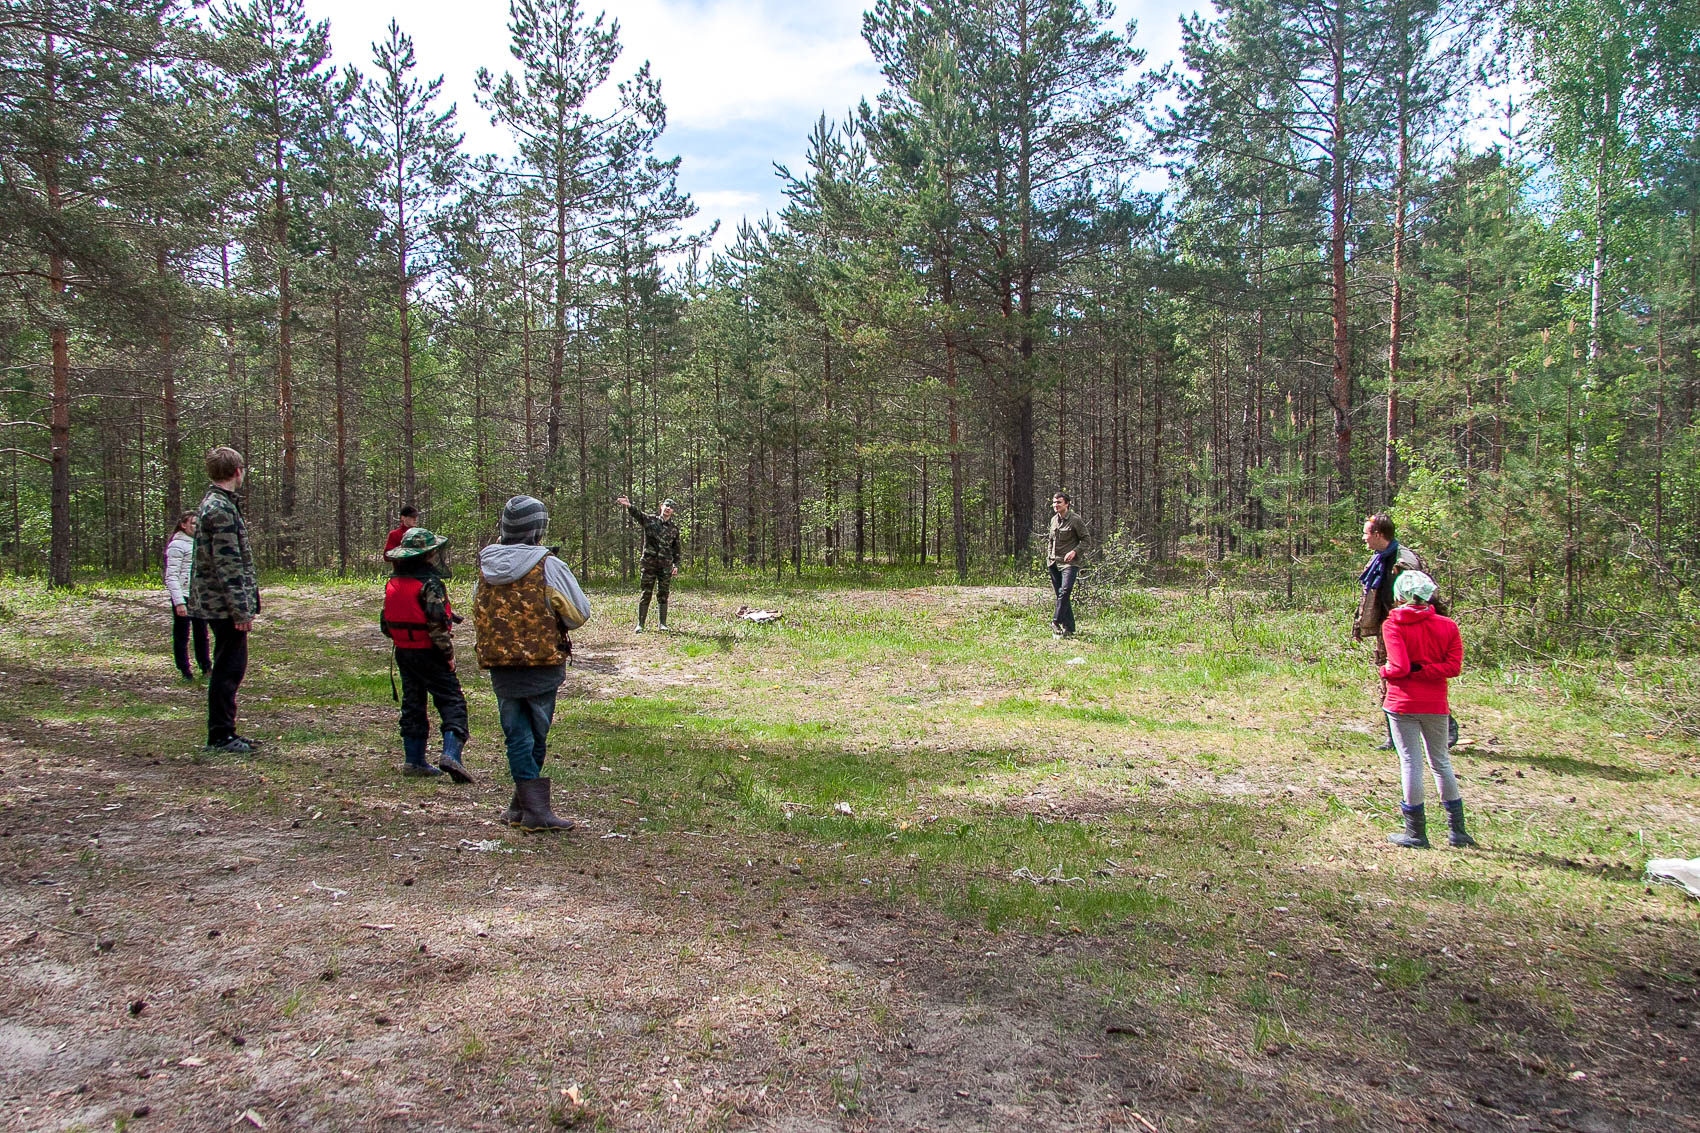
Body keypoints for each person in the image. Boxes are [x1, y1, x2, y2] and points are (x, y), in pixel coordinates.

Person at [474, 495, 590, 832]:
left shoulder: (486, 566)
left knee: (516, 735)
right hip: (542, 662)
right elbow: (578, 613)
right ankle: (535, 812)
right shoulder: (549, 566)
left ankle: (520, 807)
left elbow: (479, 609)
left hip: (500, 663)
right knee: (535, 736)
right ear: (538, 529)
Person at [1380, 570, 1475, 849]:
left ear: (1399, 596)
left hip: (1402, 702)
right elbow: (1452, 667)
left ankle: (1416, 833)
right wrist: (1427, 670)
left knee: (1410, 762)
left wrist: (1385, 671)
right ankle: (1458, 832)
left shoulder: (1393, 624)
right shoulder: (1448, 626)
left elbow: (1399, 668)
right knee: (1441, 762)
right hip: (1435, 704)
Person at [382, 527, 472, 782]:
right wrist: (448, 655)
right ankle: (451, 754)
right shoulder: (430, 584)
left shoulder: (394, 583)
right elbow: (437, 625)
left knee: (412, 703)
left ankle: (414, 760)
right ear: (427, 555)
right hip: (429, 653)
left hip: (404, 652)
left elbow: (386, 624)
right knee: (452, 700)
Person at [187, 447, 260, 753]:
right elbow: (227, 564)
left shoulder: (220, 503)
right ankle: (220, 735)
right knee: (228, 669)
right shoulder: (219, 508)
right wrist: (240, 610)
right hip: (222, 605)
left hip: (219, 602)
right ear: (237, 471)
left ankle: (225, 731)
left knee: (230, 666)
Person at [616, 495, 681, 632]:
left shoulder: (674, 529)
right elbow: (638, 514)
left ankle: (662, 624)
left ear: (673, 511)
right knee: (646, 592)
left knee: (663, 594)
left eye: (671, 507)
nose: (668, 509)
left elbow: (676, 549)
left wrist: (676, 565)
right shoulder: (650, 520)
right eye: (666, 506)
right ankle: (640, 624)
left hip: (665, 566)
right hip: (649, 564)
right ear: (661, 507)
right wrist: (629, 505)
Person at [164, 511, 210, 682]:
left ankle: (206, 667)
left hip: (198, 595)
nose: (196, 527)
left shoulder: (199, 543)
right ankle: (184, 670)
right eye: (193, 524)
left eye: (198, 524)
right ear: (183, 525)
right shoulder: (177, 545)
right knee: (182, 634)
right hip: (183, 595)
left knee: (202, 633)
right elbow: (171, 576)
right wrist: (179, 602)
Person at [1046, 491, 1088, 637]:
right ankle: (1069, 629)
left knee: (1066, 590)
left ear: (1067, 504)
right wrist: (1049, 558)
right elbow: (1051, 540)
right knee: (1061, 595)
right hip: (1054, 562)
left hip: (1069, 564)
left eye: (1059, 502)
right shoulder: (1053, 520)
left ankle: (1055, 621)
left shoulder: (1075, 520)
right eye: (1054, 502)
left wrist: (1074, 552)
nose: (1055, 505)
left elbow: (1086, 540)